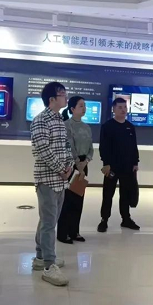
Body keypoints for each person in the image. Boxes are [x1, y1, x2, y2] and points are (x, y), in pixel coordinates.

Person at [30, 82, 74, 286]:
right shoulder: (40, 120)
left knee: (49, 220)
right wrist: (60, 169)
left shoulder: (59, 120)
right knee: (48, 223)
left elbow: (66, 147)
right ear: (52, 99)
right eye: (62, 94)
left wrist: (69, 167)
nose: (66, 98)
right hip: (47, 179)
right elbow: (43, 149)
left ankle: (41, 257)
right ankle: (49, 266)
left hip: (61, 179)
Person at [97, 97, 140, 233]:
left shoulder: (130, 127)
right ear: (114, 109)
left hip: (127, 167)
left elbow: (133, 146)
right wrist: (106, 163)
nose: (123, 110)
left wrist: (135, 162)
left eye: (125, 107)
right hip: (112, 167)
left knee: (125, 194)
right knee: (108, 194)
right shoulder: (107, 126)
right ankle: (104, 219)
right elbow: (104, 147)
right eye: (120, 107)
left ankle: (126, 218)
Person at [58, 96, 94, 244]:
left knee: (79, 199)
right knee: (67, 200)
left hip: (84, 165)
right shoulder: (66, 125)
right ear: (72, 109)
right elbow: (69, 146)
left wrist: (86, 161)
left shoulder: (87, 127)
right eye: (80, 106)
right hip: (70, 165)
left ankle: (74, 231)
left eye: (84, 105)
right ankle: (63, 233)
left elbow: (91, 148)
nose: (84, 108)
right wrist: (77, 164)